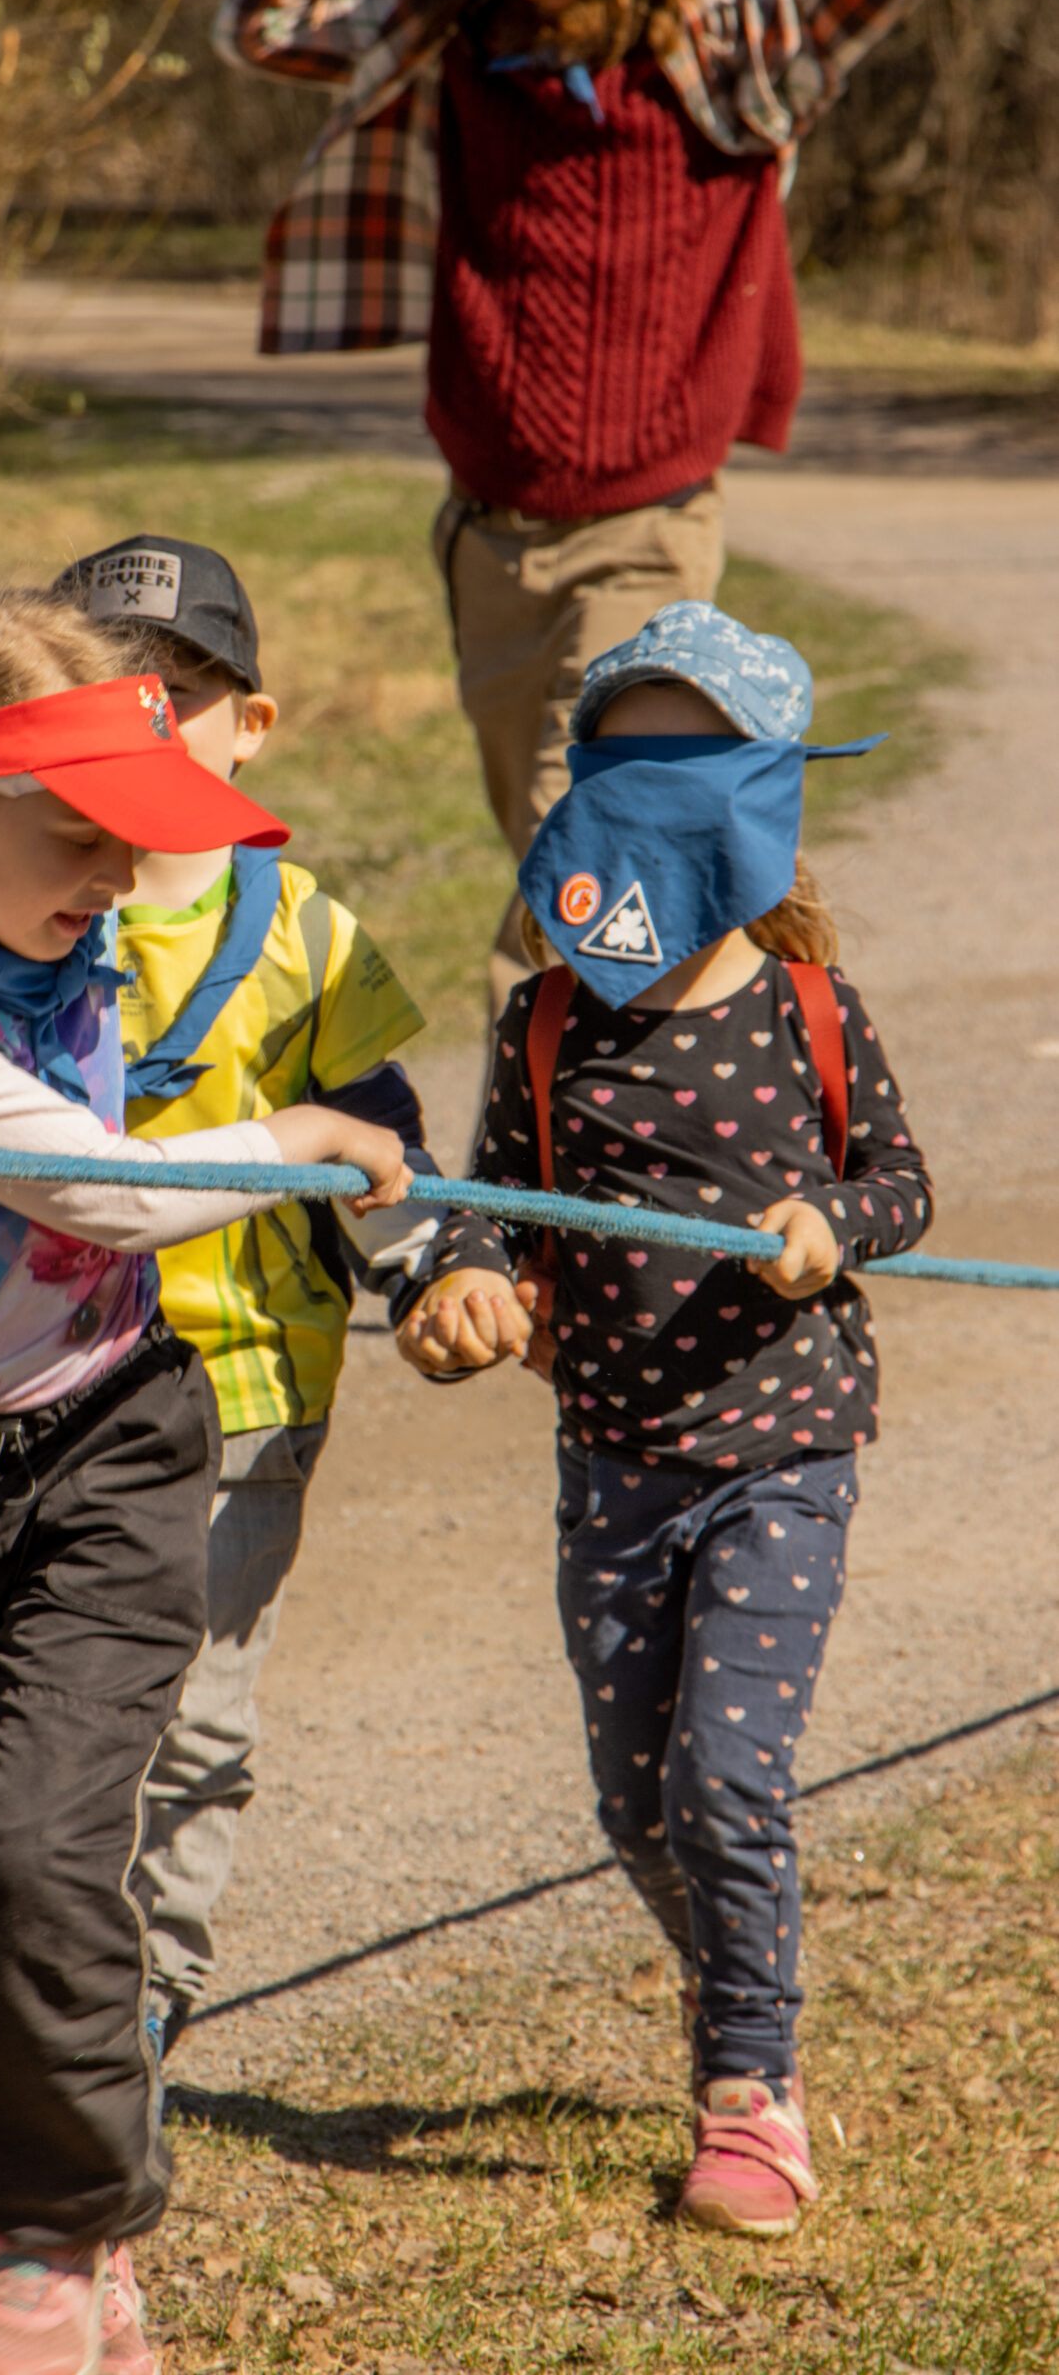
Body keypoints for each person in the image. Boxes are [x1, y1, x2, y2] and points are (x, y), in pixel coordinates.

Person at [0, 588, 414, 2373]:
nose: (114, 883)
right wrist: (291, 1143)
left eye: (132, 846)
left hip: (115, 1445)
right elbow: (103, 1193)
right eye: (75, 836)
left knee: (42, 1852)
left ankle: (56, 2247)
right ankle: (38, 2227)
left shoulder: (75, 940)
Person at [214, 0, 982, 1023]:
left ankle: (535, 1191)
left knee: (575, 874)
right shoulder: (458, 13)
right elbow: (262, 18)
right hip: (485, 535)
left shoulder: (733, 24)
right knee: (606, 870)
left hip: (645, 531)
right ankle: (714, 1096)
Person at [397, 603, 933, 2237]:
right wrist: (461, 1291)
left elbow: (903, 1184)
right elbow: (488, 1210)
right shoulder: (544, 1021)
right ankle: (748, 1981)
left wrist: (838, 1224)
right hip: (613, 1460)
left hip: (783, 1454)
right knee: (636, 1801)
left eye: (686, 768)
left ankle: (747, 2094)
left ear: (759, 802)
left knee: (719, 1777)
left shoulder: (809, 1009)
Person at [54, 535, 446, 2045]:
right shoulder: (3, 903)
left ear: (250, 727)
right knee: (36, 1710)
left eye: (182, 691)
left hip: (242, 1390)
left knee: (190, 1727)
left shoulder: (305, 939)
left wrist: (431, 1285)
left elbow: (385, 1148)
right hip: (29, 1376)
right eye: (102, 691)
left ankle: (143, 1994)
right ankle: (30, 1981)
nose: (145, 718)